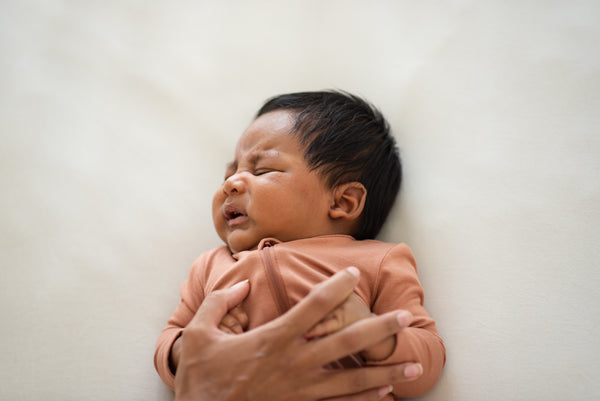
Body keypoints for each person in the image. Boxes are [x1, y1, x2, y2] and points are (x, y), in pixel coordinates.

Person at [155, 91, 446, 399]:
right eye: (230, 173)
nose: (230, 183)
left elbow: (428, 358)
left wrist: (376, 336)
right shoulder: (210, 266)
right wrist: (185, 348)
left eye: (262, 170)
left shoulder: (378, 261)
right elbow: (169, 338)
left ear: (343, 202)